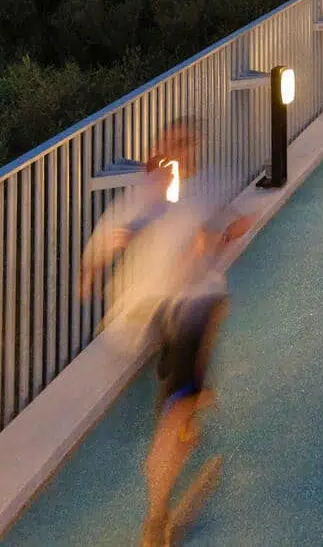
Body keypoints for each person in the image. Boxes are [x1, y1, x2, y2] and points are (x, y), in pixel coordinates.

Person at [80, 120, 251, 547]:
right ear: (159, 150)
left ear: (194, 148)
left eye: (185, 144)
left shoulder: (207, 186)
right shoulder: (149, 194)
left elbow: (236, 222)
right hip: (169, 310)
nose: (177, 152)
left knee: (214, 309)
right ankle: (156, 515)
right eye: (171, 144)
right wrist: (96, 265)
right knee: (174, 414)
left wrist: (220, 235)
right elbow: (111, 235)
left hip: (196, 304)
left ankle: (188, 405)